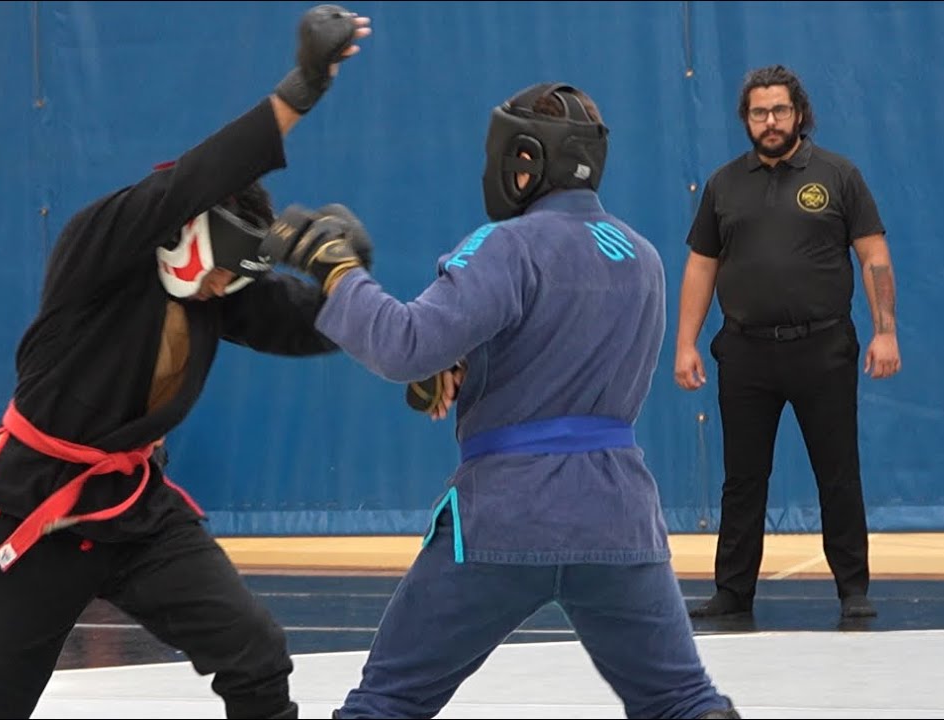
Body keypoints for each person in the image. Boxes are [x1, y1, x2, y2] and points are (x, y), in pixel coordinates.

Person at [0, 6, 371, 718]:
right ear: (189, 231)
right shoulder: (103, 243)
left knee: (256, 653)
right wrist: (303, 88)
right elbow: (194, 178)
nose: (223, 287)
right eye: (223, 268)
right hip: (34, 507)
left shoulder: (212, 293)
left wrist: (347, 276)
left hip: (134, 510)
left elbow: (304, 323)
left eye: (235, 278)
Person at [262, 82, 740, 719]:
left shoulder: (507, 245)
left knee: (388, 702)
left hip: (508, 515)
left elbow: (405, 345)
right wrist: (468, 361)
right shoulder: (643, 258)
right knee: (683, 701)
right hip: (618, 520)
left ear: (525, 157)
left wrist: (337, 270)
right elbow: (558, 347)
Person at [673, 64, 901, 621]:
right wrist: (685, 343)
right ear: (746, 119)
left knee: (837, 472)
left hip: (823, 348)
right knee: (742, 479)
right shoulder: (724, 185)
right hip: (745, 352)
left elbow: (873, 255)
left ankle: (852, 588)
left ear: (798, 113)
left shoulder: (838, 175)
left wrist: (885, 331)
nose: (770, 121)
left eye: (779, 110)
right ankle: (733, 591)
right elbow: (701, 266)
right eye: (759, 112)